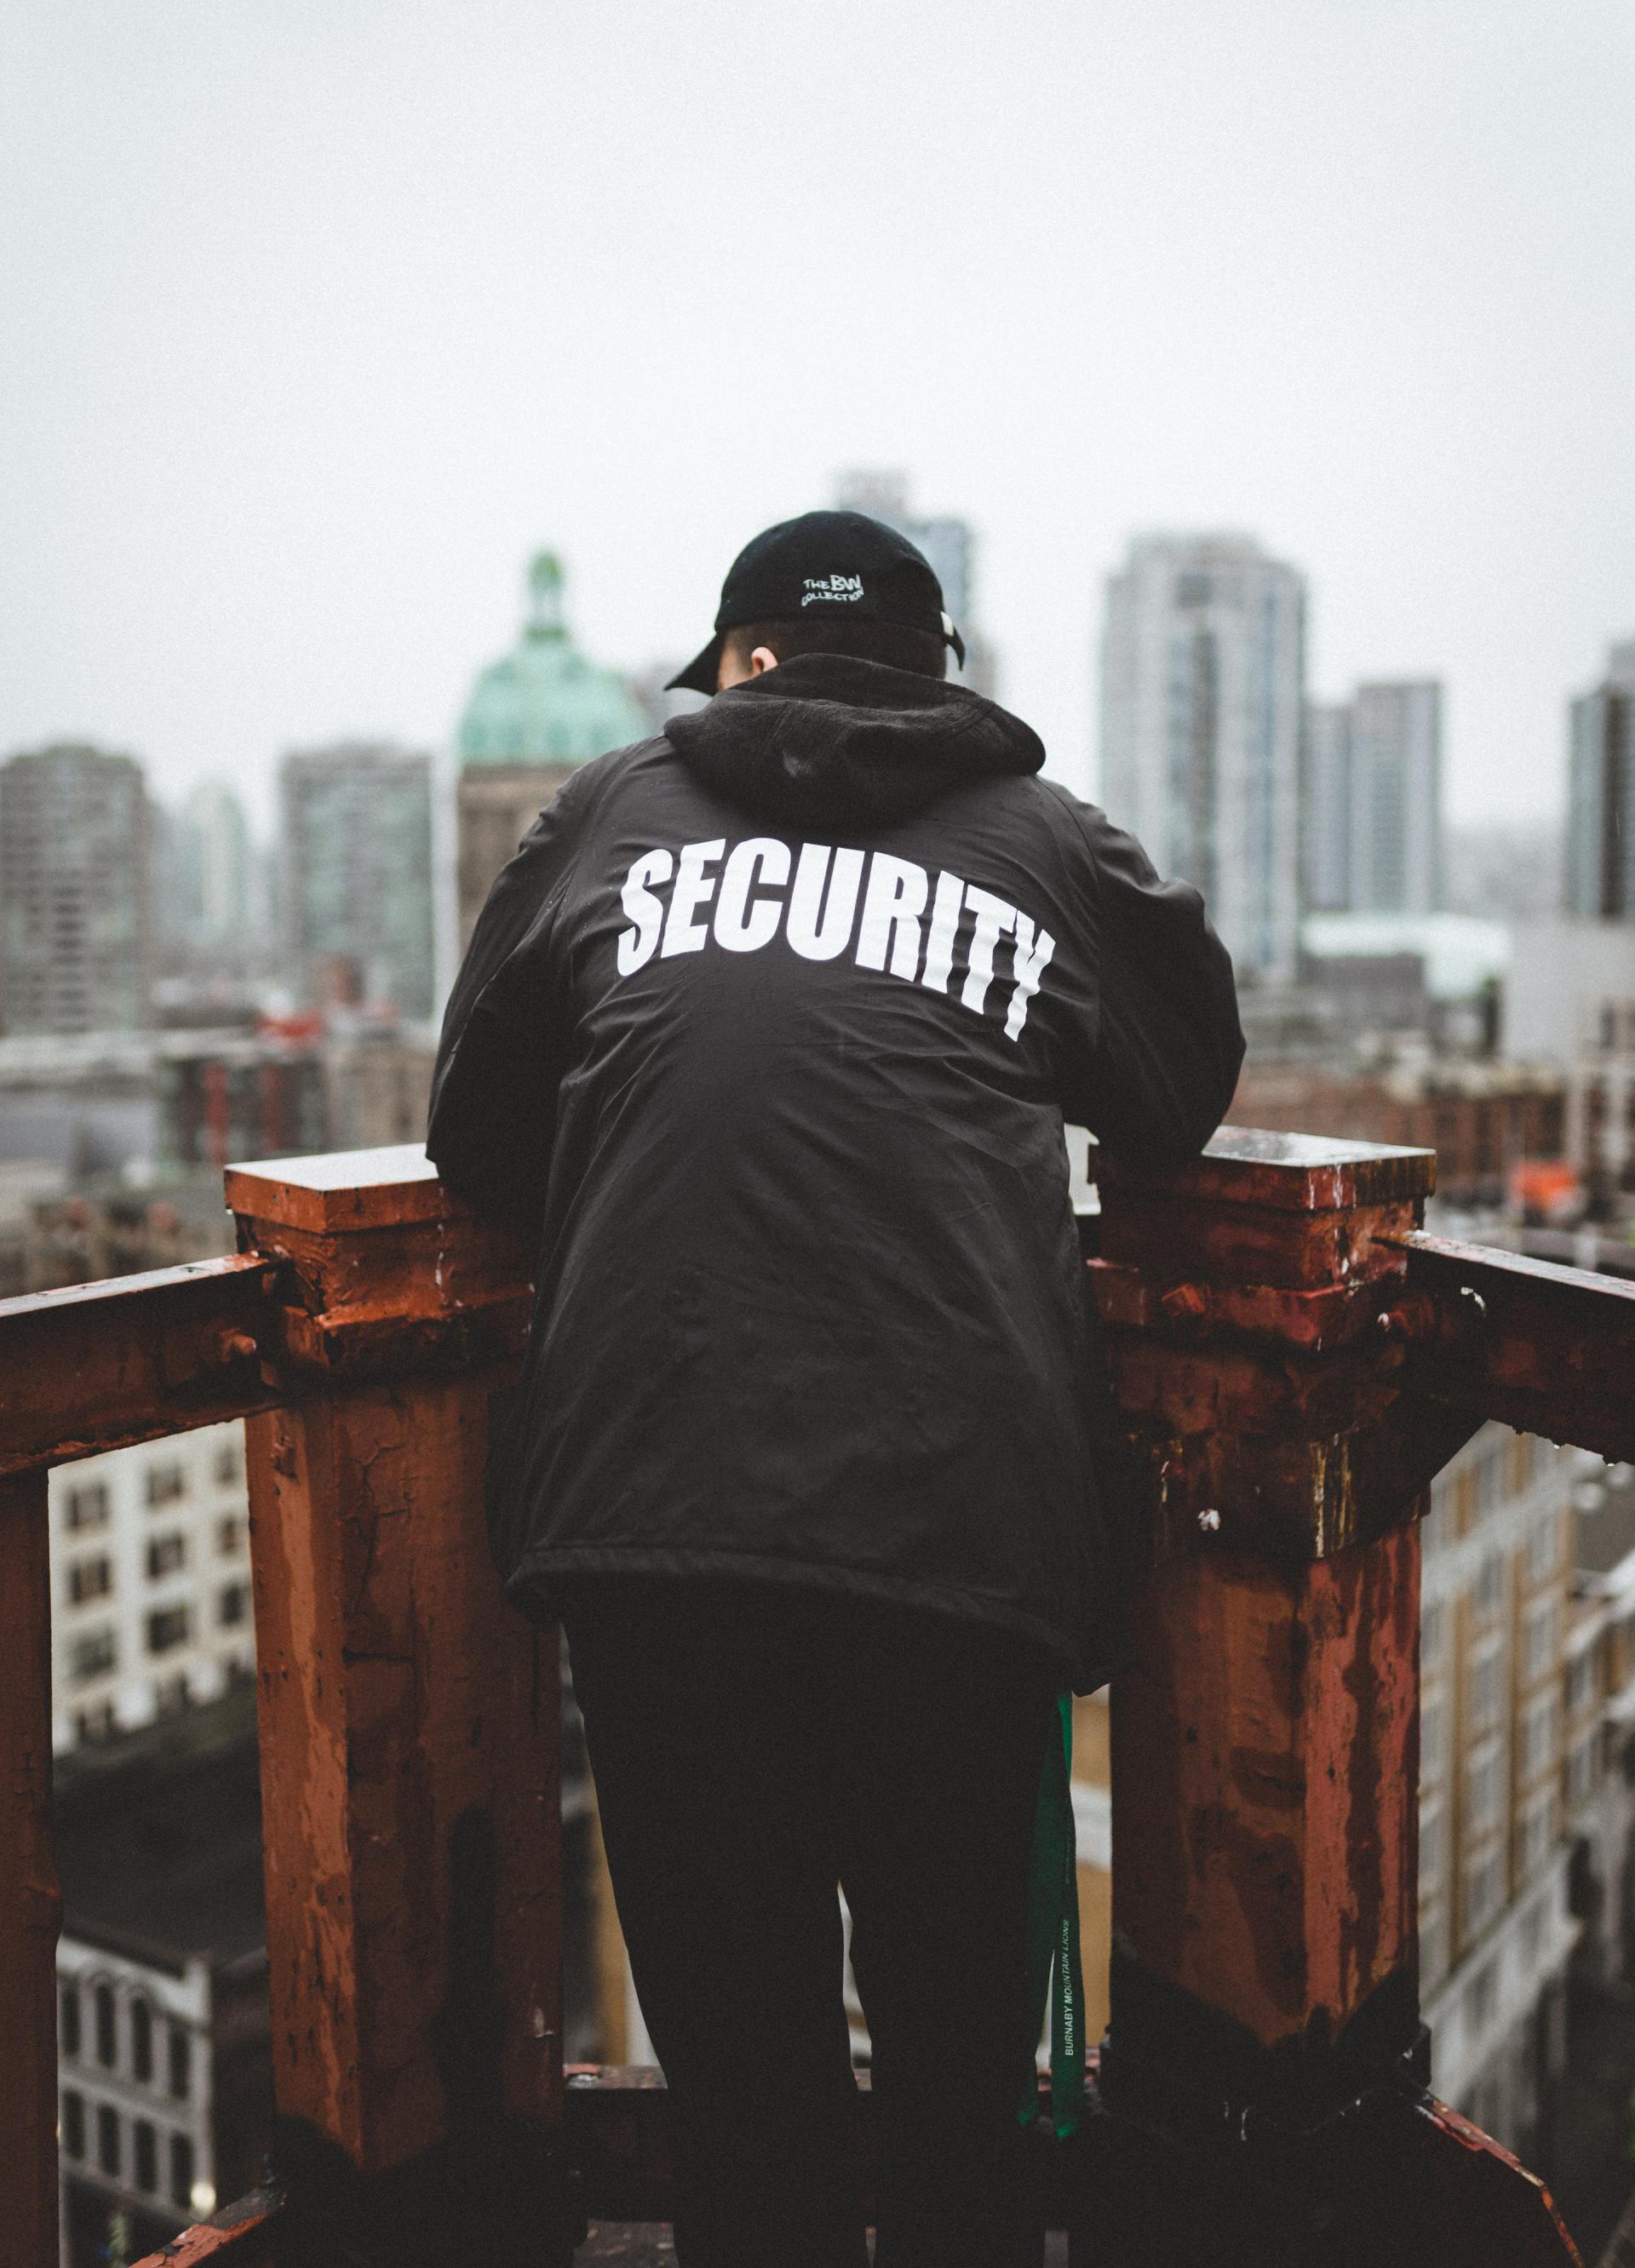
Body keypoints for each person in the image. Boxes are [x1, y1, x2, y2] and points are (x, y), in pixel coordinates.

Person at [427, 510, 1243, 2267]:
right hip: (961, 1541)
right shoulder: (1042, 840)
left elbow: (472, 1132)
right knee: (961, 2086)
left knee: (745, 2096)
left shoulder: (611, 815)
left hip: (653, 1526)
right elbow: (1183, 1090)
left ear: (739, 665)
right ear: (937, 673)